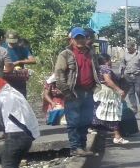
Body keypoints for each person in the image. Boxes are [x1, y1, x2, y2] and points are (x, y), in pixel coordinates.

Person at [54, 27, 100, 157]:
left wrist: (96, 86)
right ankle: (75, 148)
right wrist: (66, 92)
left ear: (86, 39)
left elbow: (96, 69)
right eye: (77, 38)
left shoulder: (90, 53)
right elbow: (59, 73)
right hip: (73, 92)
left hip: (88, 91)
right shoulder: (66, 54)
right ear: (72, 40)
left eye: (82, 37)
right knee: (73, 121)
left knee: (86, 120)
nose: (80, 40)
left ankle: (83, 146)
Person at [93, 53, 129, 145]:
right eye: (110, 60)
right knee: (113, 114)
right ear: (107, 60)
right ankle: (117, 136)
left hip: (98, 92)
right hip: (107, 94)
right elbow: (108, 81)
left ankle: (115, 135)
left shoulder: (97, 68)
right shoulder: (105, 68)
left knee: (99, 113)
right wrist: (119, 90)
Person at [3, 30, 36, 98]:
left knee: (21, 98)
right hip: (5, 77)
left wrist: (19, 62)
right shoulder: (2, 47)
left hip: (18, 77)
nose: (12, 43)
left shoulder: (22, 48)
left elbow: (33, 60)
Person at [119, 40, 140, 112]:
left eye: (129, 48)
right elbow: (122, 64)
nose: (128, 49)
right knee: (130, 92)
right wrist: (122, 73)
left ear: (133, 47)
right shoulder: (125, 55)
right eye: (127, 48)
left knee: (138, 90)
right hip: (128, 75)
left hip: (138, 75)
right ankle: (134, 107)